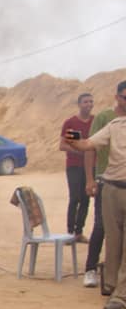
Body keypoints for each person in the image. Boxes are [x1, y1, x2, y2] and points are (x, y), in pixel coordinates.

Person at [65, 80, 126, 309]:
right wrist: (74, 142)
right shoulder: (113, 124)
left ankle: (121, 295)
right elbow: (89, 145)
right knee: (112, 240)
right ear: (118, 98)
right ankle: (110, 284)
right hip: (110, 188)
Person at [83, 96, 125, 289]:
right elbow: (89, 147)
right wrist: (90, 178)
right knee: (101, 227)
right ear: (118, 98)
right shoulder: (105, 118)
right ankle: (91, 269)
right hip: (106, 181)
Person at [59, 93, 94, 242]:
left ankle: (78, 232)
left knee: (86, 199)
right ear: (79, 104)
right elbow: (63, 145)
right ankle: (69, 232)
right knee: (75, 198)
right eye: (85, 102)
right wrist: (81, 150)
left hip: (91, 166)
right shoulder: (71, 123)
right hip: (74, 165)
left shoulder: (96, 121)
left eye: (91, 102)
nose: (89, 104)